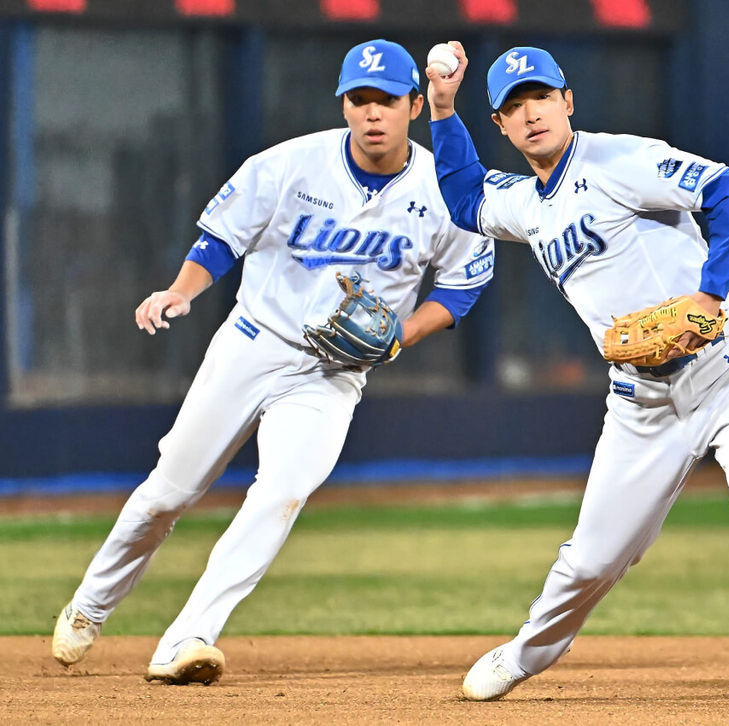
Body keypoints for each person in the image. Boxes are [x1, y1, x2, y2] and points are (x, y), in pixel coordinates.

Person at [423, 42, 729, 712]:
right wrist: (444, 108)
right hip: (642, 405)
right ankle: (523, 655)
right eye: (513, 106)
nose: (531, 112)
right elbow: (462, 198)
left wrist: (712, 295)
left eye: (541, 96)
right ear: (501, 126)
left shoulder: (619, 159)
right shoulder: (526, 204)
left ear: (568, 102)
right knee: (593, 561)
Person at [51, 39, 494, 685]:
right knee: (166, 497)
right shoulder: (287, 165)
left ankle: (189, 637)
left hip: (332, 374)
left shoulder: (441, 188)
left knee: (281, 494)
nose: (373, 114)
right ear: (344, 105)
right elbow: (221, 241)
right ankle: (90, 607)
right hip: (253, 344)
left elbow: (462, 285)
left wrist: (402, 336)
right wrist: (180, 291)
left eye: (387, 101)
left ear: (414, 105)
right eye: (359, 100)